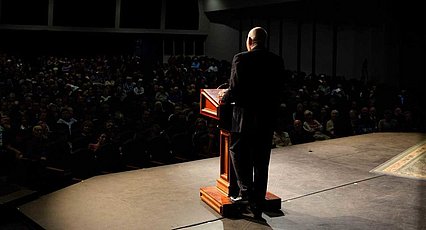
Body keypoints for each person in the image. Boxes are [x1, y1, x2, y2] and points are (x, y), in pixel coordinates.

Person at [220, 27, 285, 219]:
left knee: (238, 153)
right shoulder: (276, 60)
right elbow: (279, 90)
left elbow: (236, 90)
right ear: (264, 41)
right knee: (261, 160)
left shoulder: (241, 58)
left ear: (249, 41)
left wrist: (226, 94)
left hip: (244, 119)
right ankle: (259, 199)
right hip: (266, 119)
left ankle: (246, 195)